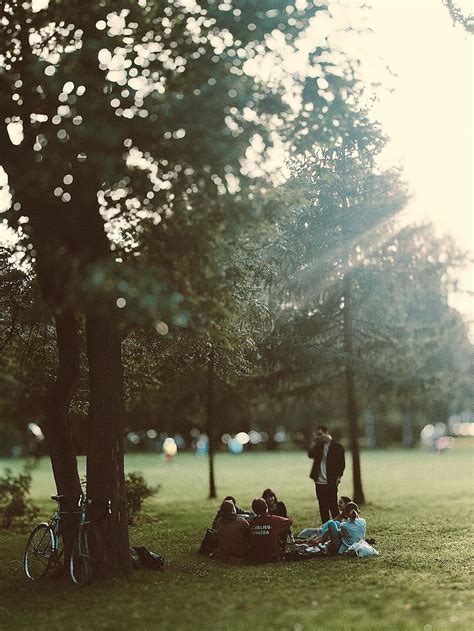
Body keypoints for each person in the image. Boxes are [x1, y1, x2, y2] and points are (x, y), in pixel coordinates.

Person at [308, 425, 345, 524]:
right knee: (323, 507)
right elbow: (310, 454)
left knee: (333, 506)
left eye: (321, 434)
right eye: (317, 435)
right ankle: (326, 529)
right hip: (319, 482)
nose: (319, 437)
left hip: (331, 481)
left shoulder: (337, 447)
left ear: (327, 433)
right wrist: (314, 441)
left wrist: (339, 477)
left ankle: (338, 528)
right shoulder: (319, 446)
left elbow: (342, 464)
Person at [248, 498, 293, 563]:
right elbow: (289, 521)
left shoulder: (250, 522)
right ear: (266, 507)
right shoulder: (274, 520)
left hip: (256, 557)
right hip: (273, 557)